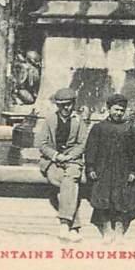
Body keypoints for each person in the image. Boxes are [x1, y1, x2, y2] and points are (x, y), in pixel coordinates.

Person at [85, 92, 135, 244]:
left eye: (121, 110)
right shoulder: (99, 128)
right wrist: (91, 168)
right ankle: (107, 231)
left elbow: (134, 153)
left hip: (122, 170)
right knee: (103, 200)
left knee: (122, 200)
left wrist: (133, 171)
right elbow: (91, 149)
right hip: (103, 170)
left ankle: (119, 231)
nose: (118, 113)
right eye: (116, 109)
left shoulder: (129, 129)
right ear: (109, 109)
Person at [36, 87, 88, 242]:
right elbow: (42, 143)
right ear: (57, 106)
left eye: (68, 104)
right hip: (53, 160)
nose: (65, 108)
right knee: (59, 181)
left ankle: (65, 223)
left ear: (73, 103)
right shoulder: (50, 120)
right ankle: (74, 226)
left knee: (70, 178)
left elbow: (82, 144)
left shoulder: (79, 121)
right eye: (61, 105)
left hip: (73, 160)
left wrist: (70, 156)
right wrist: (56, 156)